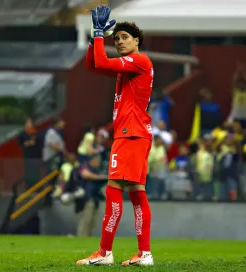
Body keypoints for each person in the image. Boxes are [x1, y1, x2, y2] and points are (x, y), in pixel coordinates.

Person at [77, 5, 154, 266]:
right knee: (136, 192)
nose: (119, 42)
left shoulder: (139, 61)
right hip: (136, 133)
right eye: (116, 38)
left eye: (124, 38)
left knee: (113, 189)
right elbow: (94, 65)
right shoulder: (128, 67)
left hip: (130, 134)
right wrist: (93, 38)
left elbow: (99, 62)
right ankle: (144, 254)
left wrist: (100, 33)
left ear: (137, 41)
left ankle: (104, 252)